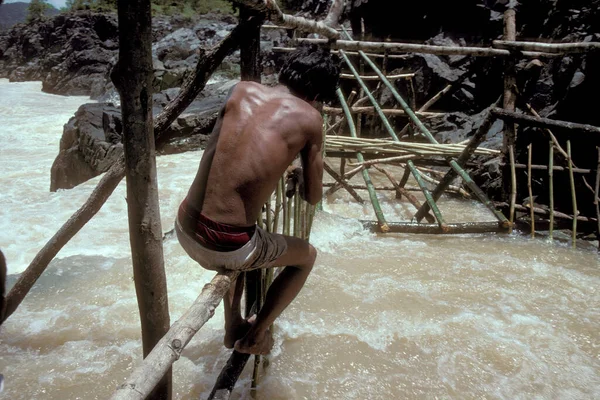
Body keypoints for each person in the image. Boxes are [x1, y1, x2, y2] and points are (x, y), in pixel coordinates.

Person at [175, 43, 340, 355]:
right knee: (307, 258)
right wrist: (300, 170)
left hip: (185, 225)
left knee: (240, 235)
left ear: (285, 70)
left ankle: (232, 321)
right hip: (228, 246)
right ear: (319, 94)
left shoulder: (241, 90)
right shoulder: (311, 119)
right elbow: (313, 196)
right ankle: (256, 334)